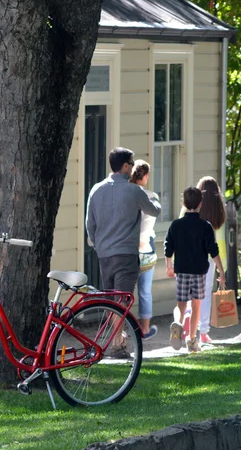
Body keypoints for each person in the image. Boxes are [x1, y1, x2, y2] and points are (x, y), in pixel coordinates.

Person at [86, 147, 161, 356]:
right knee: (123, 301)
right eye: (131, 162)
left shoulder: (96, 190)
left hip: (104, 254)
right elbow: (154, 210)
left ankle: (117, 339)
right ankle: (117, 345)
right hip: (126, 254)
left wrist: (98, 244)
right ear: (126, 166)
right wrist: (153, 198)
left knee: (112, 300)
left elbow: (89, 225)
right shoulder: (134, 191)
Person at [164, 187, 226, 353]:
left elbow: (168, 247)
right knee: (196, 306)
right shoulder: (205, 226)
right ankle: (192, 341)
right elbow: (213, 250)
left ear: (183, 203)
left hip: (181, 271)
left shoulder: (176, 225)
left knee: (181, 305)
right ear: (200, 204)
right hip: (199, 272)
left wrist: (168, 265)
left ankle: (177, 324)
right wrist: (221, 271)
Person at [181, 176, 227, 344]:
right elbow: (219, 243)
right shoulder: (219, 213)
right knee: (204, 295)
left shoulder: (189, 206)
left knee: (187, 293)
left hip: (186, 257)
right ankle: (204, 332)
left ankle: (186, 317)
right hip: (207, 260)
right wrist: (223, 268)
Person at [129, 160, 158, 340]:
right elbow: (148, 223)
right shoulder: (151, 196)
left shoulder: (125, 194)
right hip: (146, 247)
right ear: (145, 176)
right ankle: (145, 329)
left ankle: (120, 330)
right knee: (145, 290)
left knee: (124, 291)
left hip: (127, 246)